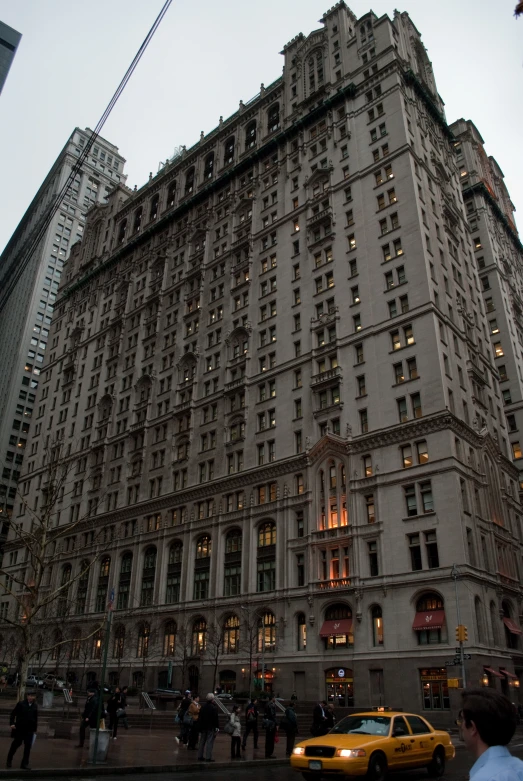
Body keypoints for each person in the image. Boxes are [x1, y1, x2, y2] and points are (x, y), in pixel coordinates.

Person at [458, 688, 523, 781]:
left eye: (462, 720)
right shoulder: (519, 767)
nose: (461, 726)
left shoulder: (483, 778)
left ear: (473, 727)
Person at [6, 690, 38, 770]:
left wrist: (34, 729)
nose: (31, 697)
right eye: (30, 695)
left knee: (27, 747)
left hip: (29, 730)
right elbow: (13, 714)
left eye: (33, 696)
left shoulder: (35, 706)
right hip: (20, 729)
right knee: (15, 745)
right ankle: (9, 760)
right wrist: (12, 723)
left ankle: (24, 764)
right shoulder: (21, 704)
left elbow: (35, 718)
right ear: (27, 696)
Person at [197, 693, 219, 762]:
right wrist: (217, 727)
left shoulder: (203, 707)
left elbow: (200, 717)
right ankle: (208, 757)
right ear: (212, 699)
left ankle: (200, 756)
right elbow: (215, 719)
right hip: (210, 727)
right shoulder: (213, 707)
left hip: (203, 727)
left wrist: (199, 726)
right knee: (210, 742)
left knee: (202, 742)